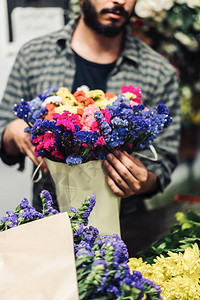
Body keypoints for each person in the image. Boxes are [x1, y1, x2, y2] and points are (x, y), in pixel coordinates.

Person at [0, 0, 180, 255]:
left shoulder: (159, 71)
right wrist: (13, 131)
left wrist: (144, 180)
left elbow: (164, 160)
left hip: (126, 230)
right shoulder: (34, 54)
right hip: (46, 224)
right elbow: (3, 128)